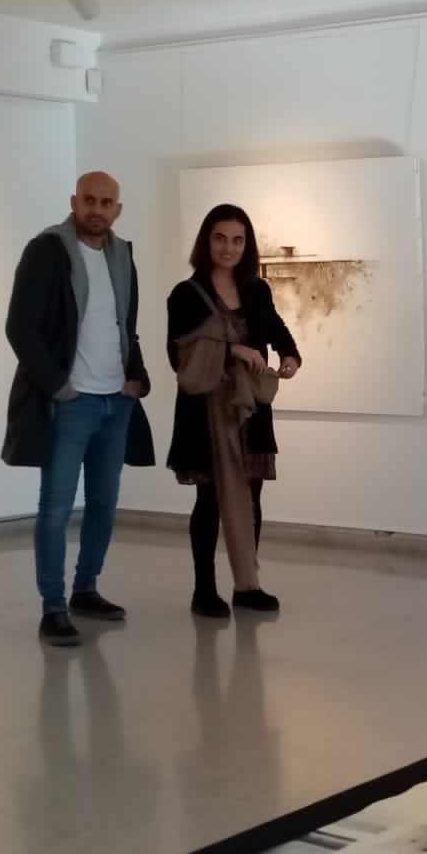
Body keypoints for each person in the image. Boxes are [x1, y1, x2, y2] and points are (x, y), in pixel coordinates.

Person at [2, 171, 153, 649]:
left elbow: (125, 325)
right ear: (74, 201)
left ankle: (86, 589)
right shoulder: (46, 250)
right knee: (56, 508)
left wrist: (135, 376)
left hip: (116, 401)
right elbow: (20, 328)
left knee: (104, 505)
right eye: (89, 200)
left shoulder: (122, 255)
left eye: (107, 202)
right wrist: (58, 385)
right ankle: (53, 607)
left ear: (117, 209)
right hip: (71, 403)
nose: (97, 209)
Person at [168, 204, 301, 619]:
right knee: (209, 499)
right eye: (220, 238)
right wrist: (233, 351)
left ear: (248, 245)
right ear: (206, 241)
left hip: (250, 408)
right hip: (205, 410)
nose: (229, 248)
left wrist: (290, 353)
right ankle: (204, 590)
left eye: (238, 240)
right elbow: (178, 355)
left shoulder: (256, 290)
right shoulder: (186, 294)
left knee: (253, 494)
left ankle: (247, 585)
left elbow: (275, 326)